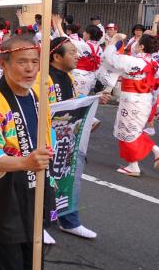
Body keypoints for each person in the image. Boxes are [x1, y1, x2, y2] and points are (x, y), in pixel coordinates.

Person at [0, 34, 55, 270]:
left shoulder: (38, 99)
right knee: (11, 264)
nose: (30, 69)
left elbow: (48, 137)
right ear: (3, 63)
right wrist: (24, 163)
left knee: (34, 261)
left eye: (35, 61)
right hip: (6, 199)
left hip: (35, 191)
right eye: (21, 62)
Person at [33, 35, 99, 244]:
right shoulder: (43, 78)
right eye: (72, 52)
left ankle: (69, 220)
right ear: (56, 57)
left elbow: (70, 105)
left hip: (66, 141)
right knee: (43, 183)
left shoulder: (68, 78)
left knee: (68, 180)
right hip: (46, 141)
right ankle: (39, 225)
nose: (77, 56)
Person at [103, 32, 159, 177]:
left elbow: (109, 58)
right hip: (145, 100)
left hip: (132, 100)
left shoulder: (133, 61)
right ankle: (156, 151)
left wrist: (115, 40)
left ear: (141, 46)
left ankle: (133, 165)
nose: (134, 44)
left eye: (137, 42)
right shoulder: (153, 63)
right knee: (133, 130)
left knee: (126, 131)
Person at [65, 24, 103, 96]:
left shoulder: (84, 45)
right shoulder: (100, 49)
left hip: (79, 75)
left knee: (74, 98)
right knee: (82, 99)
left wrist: (58, 25)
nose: (83, 34)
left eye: (85, 32)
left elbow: (67, 40)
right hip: (91, 77)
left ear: (88, 34)